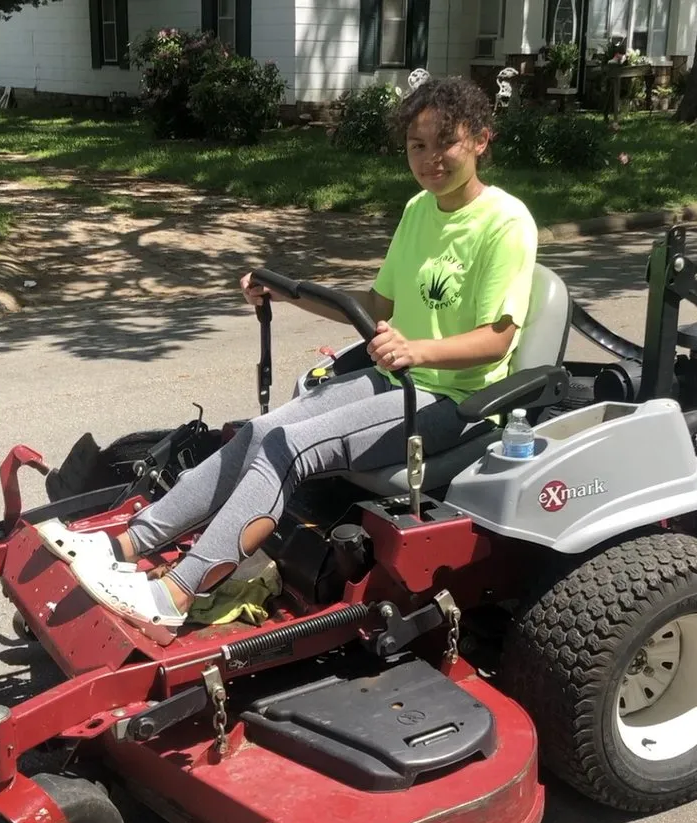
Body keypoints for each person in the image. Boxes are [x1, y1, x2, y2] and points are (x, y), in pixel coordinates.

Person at [37, 74, 538, 638]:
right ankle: (126, 544)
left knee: (292, 448)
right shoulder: (421, 210)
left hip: (454, 398)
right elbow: (376, 305)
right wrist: (288, 293)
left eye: (444, 142)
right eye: (416, 146)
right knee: (259, 431)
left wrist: (416, 347)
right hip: (394, 377)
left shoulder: (506, 223)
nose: (429, 159)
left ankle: (175, 593)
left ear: (480, 140)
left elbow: (498, 338)